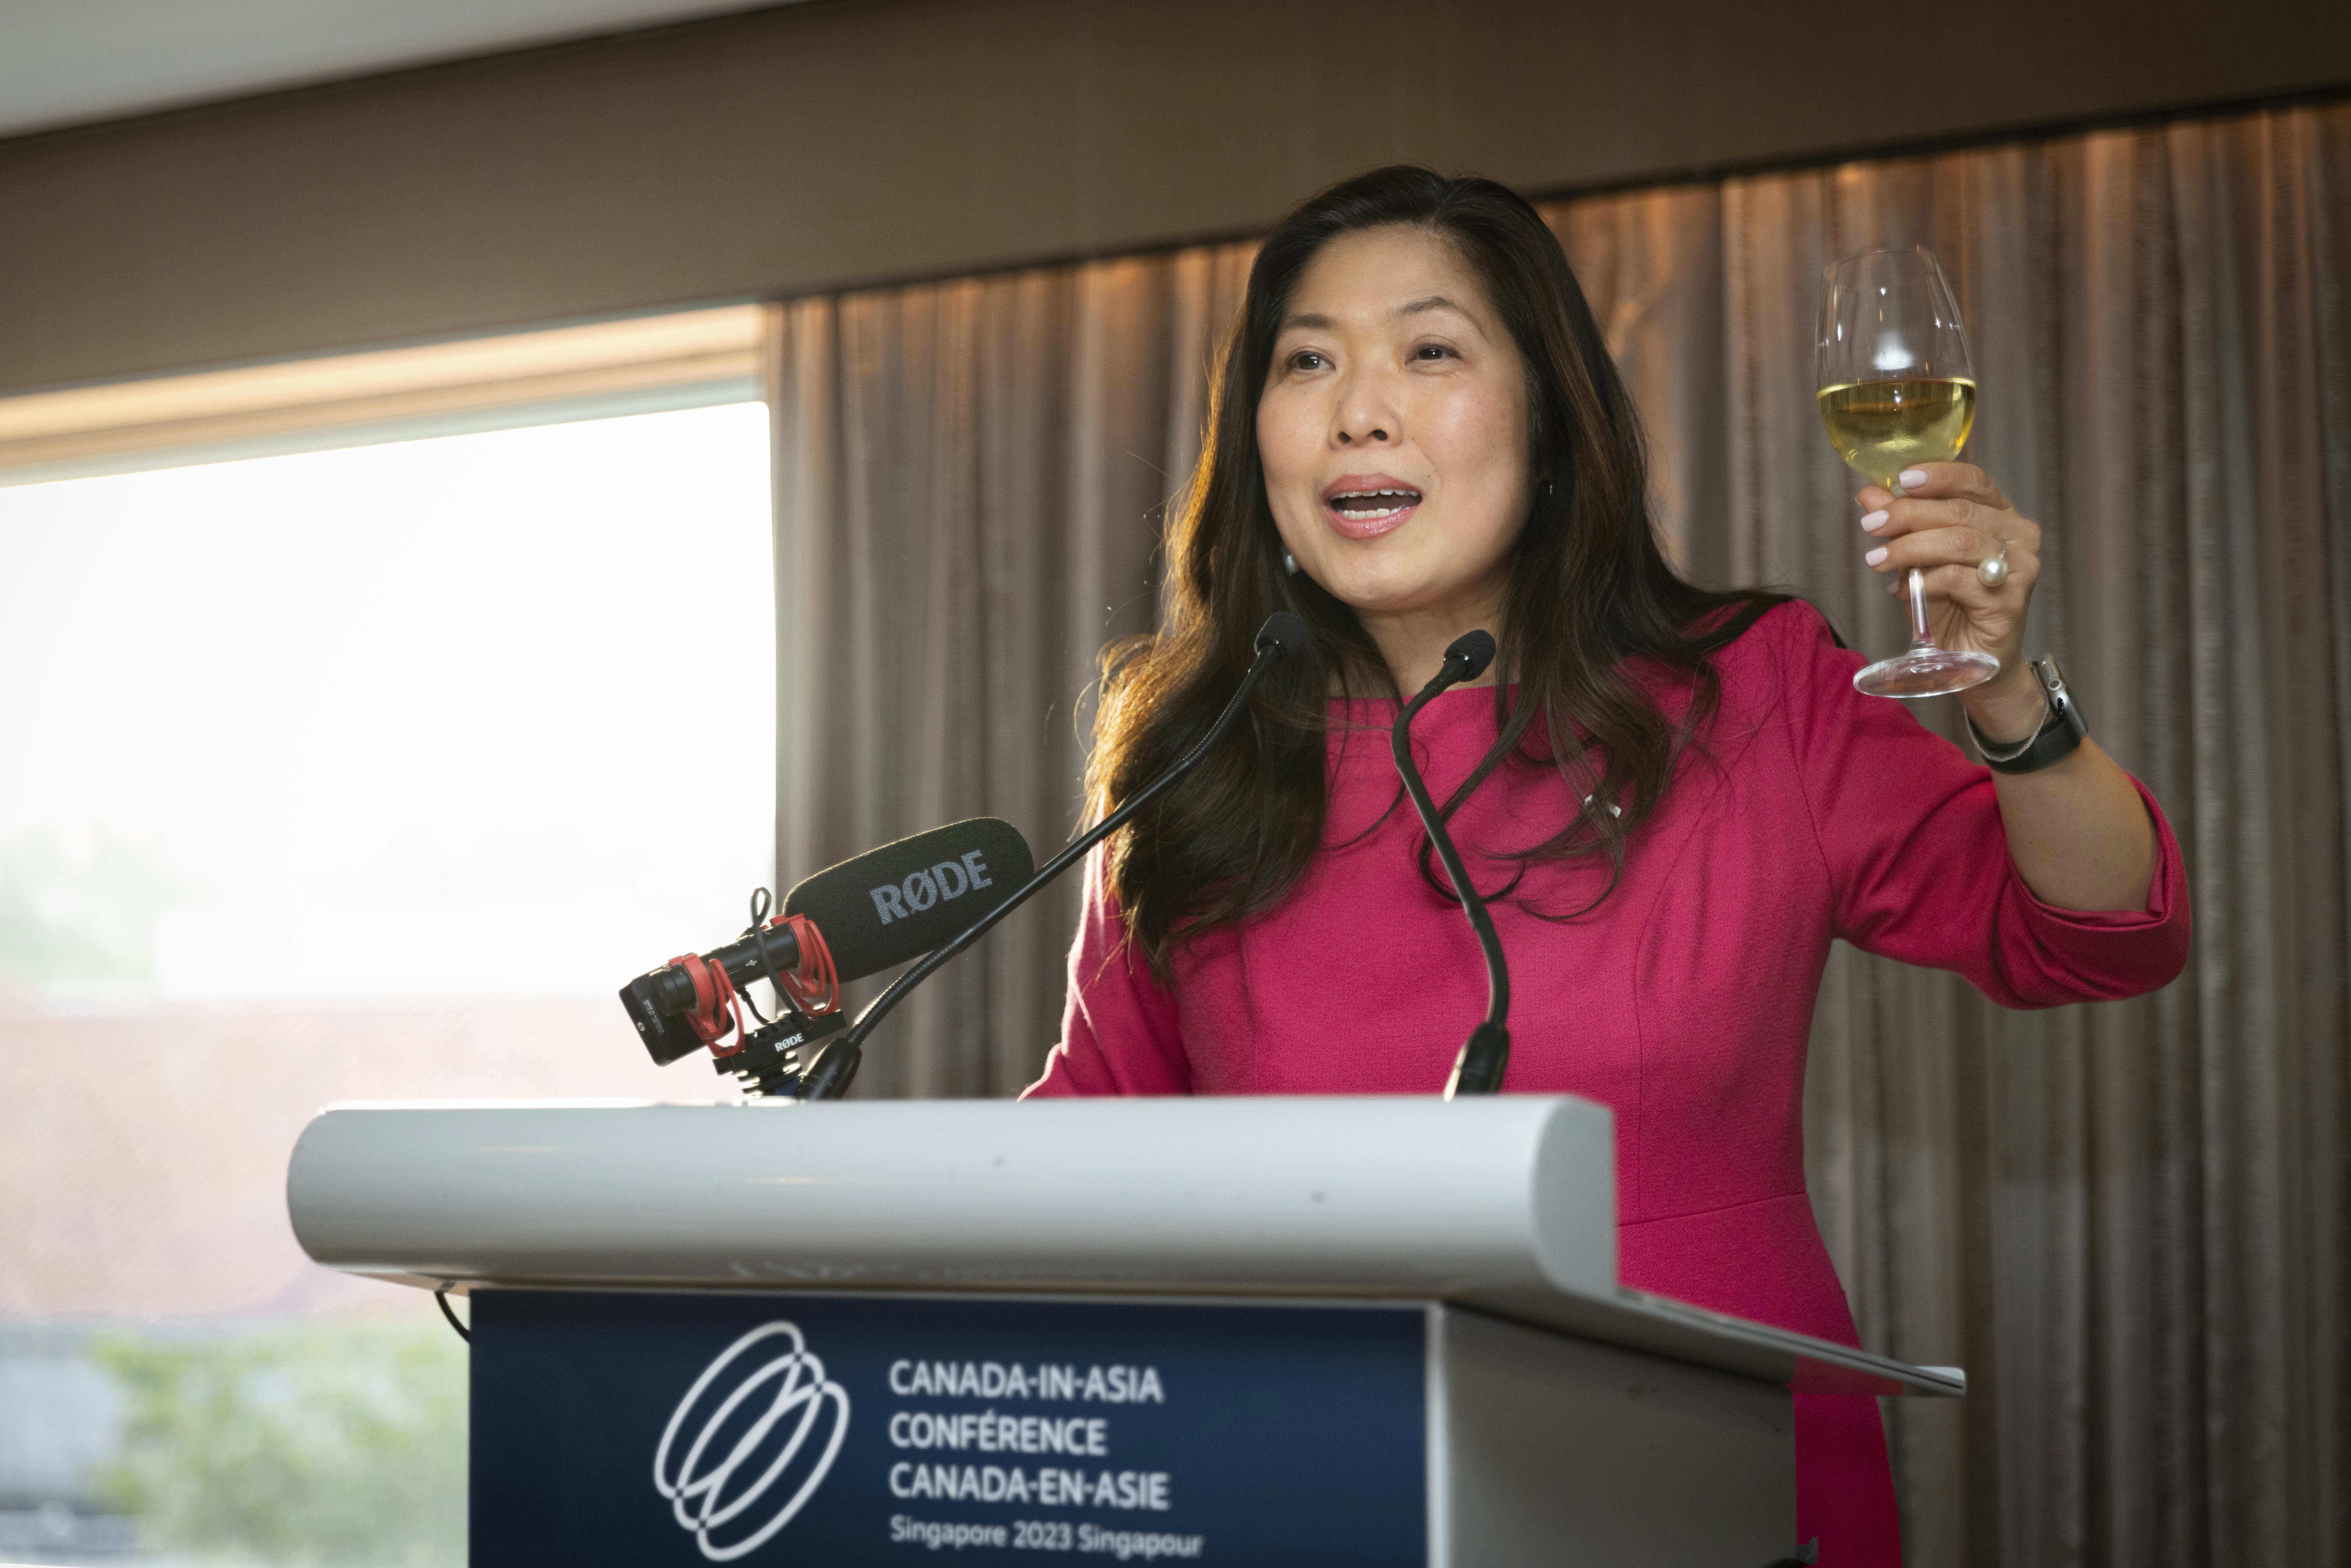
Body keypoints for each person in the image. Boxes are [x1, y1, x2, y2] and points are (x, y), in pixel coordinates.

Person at [1023, 166, 2189, 1564]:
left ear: (1548, 426)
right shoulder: (1187, 763)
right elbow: (1077, 1156)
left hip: (1709, 1474)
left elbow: (2099, 933)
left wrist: (2002, 693)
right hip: (1303, 1474)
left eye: (1429, 351)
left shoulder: (1750, 694)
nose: (1358, 410)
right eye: (1306, 361)